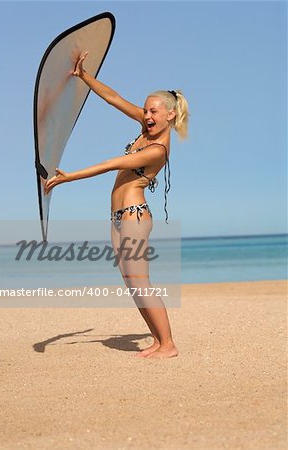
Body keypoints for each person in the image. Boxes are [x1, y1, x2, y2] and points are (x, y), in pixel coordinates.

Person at [45, 52, 189, 358]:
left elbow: (114, 164)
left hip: (135, 216)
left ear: (170, 115)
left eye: (154, 111)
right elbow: (114, 97)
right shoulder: (145, 127)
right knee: (131, 283)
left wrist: (69, 177)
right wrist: (84, 76)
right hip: (118, 217)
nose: (147, 116)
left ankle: (169, 345)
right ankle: (158, 340)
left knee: (141, 282)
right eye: (146, 110)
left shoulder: (158, 149)